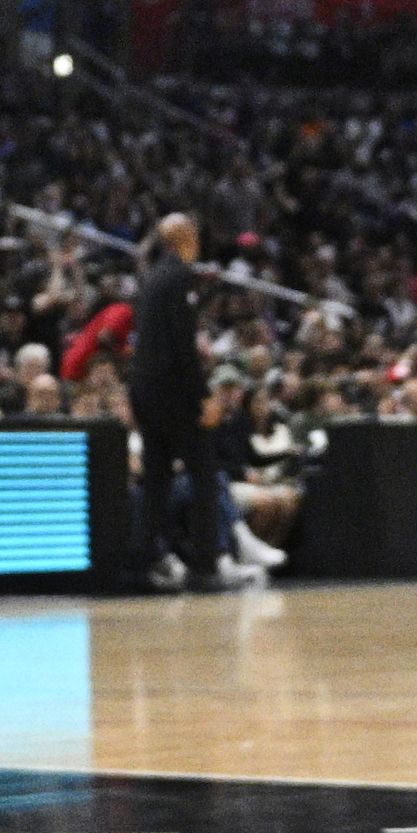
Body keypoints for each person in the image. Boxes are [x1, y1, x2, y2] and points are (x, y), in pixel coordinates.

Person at [129, 213, 246, 593]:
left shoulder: (150, 279)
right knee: (205, 474)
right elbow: (182, 347)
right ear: (182, 237)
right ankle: (205, 566)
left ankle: (148, 563)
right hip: (173, 394)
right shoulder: (180, 277)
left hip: (145, 391)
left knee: (158, 478)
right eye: (194, 233)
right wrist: (203, 397)